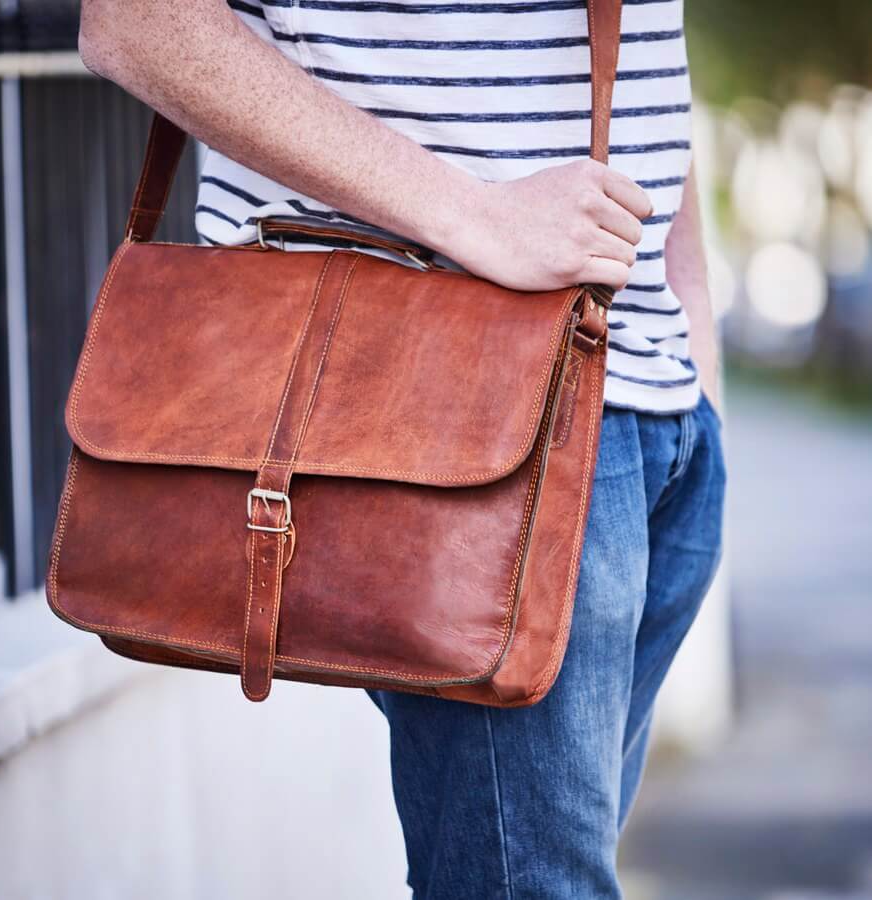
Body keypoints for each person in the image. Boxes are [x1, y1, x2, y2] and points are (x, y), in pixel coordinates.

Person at [78, 0, 725, 895]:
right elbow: (132, 22)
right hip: (477, 420)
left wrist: (690, 321)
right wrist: (477, 220)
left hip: (659, 411)